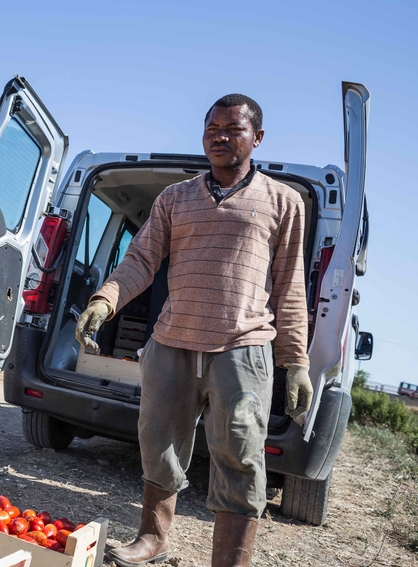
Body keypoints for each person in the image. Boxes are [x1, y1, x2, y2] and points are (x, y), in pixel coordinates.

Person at [76, 94, 314, 567]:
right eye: (212, 128)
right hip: (172, 342)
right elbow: (141, 260)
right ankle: (152, 537)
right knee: (157, 440)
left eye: (233, 128)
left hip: (242, 349)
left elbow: (290, 288)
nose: (220, 136)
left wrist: (298, 362)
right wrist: (104, 301)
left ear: (258, 138)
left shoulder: (283, 202)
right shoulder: (175, 198)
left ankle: (231, 560)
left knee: (241, 456)